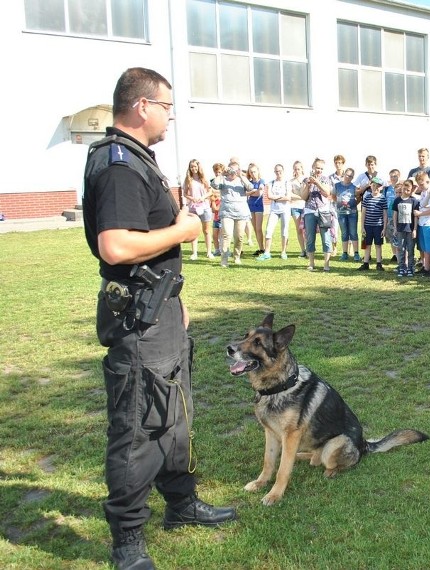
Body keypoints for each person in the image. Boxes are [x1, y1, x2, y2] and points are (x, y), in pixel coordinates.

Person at [82, 67, 235, 570]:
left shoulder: (139, 160)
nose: (172, 115)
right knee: (137, 427)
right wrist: (185, 231)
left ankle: (181, 503)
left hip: (160, 309)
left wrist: (175, 298)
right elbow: (116, 244)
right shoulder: (120, 164)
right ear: (142, 106)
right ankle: (128, 540)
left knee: (175, 416)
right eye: (167, 106)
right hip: (139, 324)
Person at [298, 158, 334, 272]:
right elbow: (303, 197)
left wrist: (317, 182)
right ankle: (311, 263)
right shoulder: (305, 180)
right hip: (310, 211)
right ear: (313, 167)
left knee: (326, 238)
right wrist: (308, 185)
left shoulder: (325, 179)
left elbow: (327, 192)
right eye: (317, 168)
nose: (319, 170)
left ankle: (326, 264)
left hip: (323, 211)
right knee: (310, 238)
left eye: (321, 168)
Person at [216, 163, 252, 267]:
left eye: (235, 170)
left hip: (241, 213)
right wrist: (222, 174)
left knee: (239, 236)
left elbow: (250, 187)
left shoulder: (242, 179)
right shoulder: (223, 179)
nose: (233, 172)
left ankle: (237, 256)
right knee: (227, 234)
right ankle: (224, 259)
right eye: (231, 170)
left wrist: (241, 175)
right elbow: (214, 184)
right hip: (227, 212)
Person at [258, 163, 292, 261]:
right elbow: (269, 196)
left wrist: (276, 198)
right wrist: (280, 197)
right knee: (268, 230)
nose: (278, 173)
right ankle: (267, 252)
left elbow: (288, 197)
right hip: (274, 210)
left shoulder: (287, 183)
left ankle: (283, 251)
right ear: (274, 172)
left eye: (280, 171)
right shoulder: (271, 183)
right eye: (276, 171)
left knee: (284, 231)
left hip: (285, 209)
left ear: (283, 171)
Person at [182, 159, 214, 260]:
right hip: (193, 208)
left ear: (198, 167)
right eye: (191, 167)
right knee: (195, 230)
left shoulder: (203, 178)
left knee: (207, 230)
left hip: (204, 207)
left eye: (195, 166)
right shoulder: (188, 179)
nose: (193, 168)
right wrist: (192, 198)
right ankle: (194, 253)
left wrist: (203, 197)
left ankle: (209, 252)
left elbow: (210, 191)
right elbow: (185, 193)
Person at [358, 176, 388, 271]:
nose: (376, 188)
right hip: (368, 225)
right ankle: (366, 263)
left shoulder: (382, 199)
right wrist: (362, 227)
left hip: (378, 226)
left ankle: (379, 263)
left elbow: (385, 215)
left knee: (378, 245)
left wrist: (384, 228)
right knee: (367, 244)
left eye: (378, 186)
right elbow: (363, 213)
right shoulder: (367, 198)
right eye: (374, 185)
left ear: (381, 188)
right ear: (370, 186)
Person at [392, 178, 419, 276]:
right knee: (401, 248)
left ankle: (410, 268)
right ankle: (402, 267)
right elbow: (395, 215)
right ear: (402, 188)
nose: (406, 191)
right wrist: (395, 227)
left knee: (410, 248)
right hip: (400, 229)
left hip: (410, 229)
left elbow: (416, 216)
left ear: (411, 190)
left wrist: (415, 229)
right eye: (404, 189)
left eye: (408, 190)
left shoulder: (413, 201)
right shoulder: (397, 200)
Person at [415, 171, 430, 276]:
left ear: (427, 181)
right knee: (425, 247)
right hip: (422, 222)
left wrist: (421, 213)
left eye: (422, 183)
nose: (421, 186)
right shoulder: (424, 192)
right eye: (419, 184)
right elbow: (423, 204)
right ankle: (426, 266)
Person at [333, 167, 358, 261]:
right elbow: (333, 196)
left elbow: (358, 196)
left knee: (353, 233)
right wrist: (338, 203)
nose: (349, 177)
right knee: (344, 233)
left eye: (351, 176)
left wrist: (354, 204)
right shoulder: (337, 185)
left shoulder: (354, 186)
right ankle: (344, 253)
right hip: (341, 213)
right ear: (344, 174)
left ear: (353, 177)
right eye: (347, 175)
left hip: (352, 213)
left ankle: (356, 253)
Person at [245, 163, 266, 256]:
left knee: (258, 228)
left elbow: (259, 193)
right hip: (250, 206)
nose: (253, 173)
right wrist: (252, 192)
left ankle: (263, 248)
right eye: (251, 172)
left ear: (258, 171)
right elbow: (245, 193)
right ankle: (260, 247)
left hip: (259, 206)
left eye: (254, 171)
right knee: (254, 228)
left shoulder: (261, 181)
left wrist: (251, 192)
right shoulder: (249, 182)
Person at [287, 161, 307, 257]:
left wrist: (302, 196)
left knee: (306, 230)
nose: (297, 170)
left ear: (302, 169)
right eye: (295, 169)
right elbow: (290, 194)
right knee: (299, 229)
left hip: (306, 207)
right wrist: (302, 197)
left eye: (298, 168)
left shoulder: (307, 179)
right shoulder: (291, 182)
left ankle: (309, 249)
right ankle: (303, 250)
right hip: (295, 207)